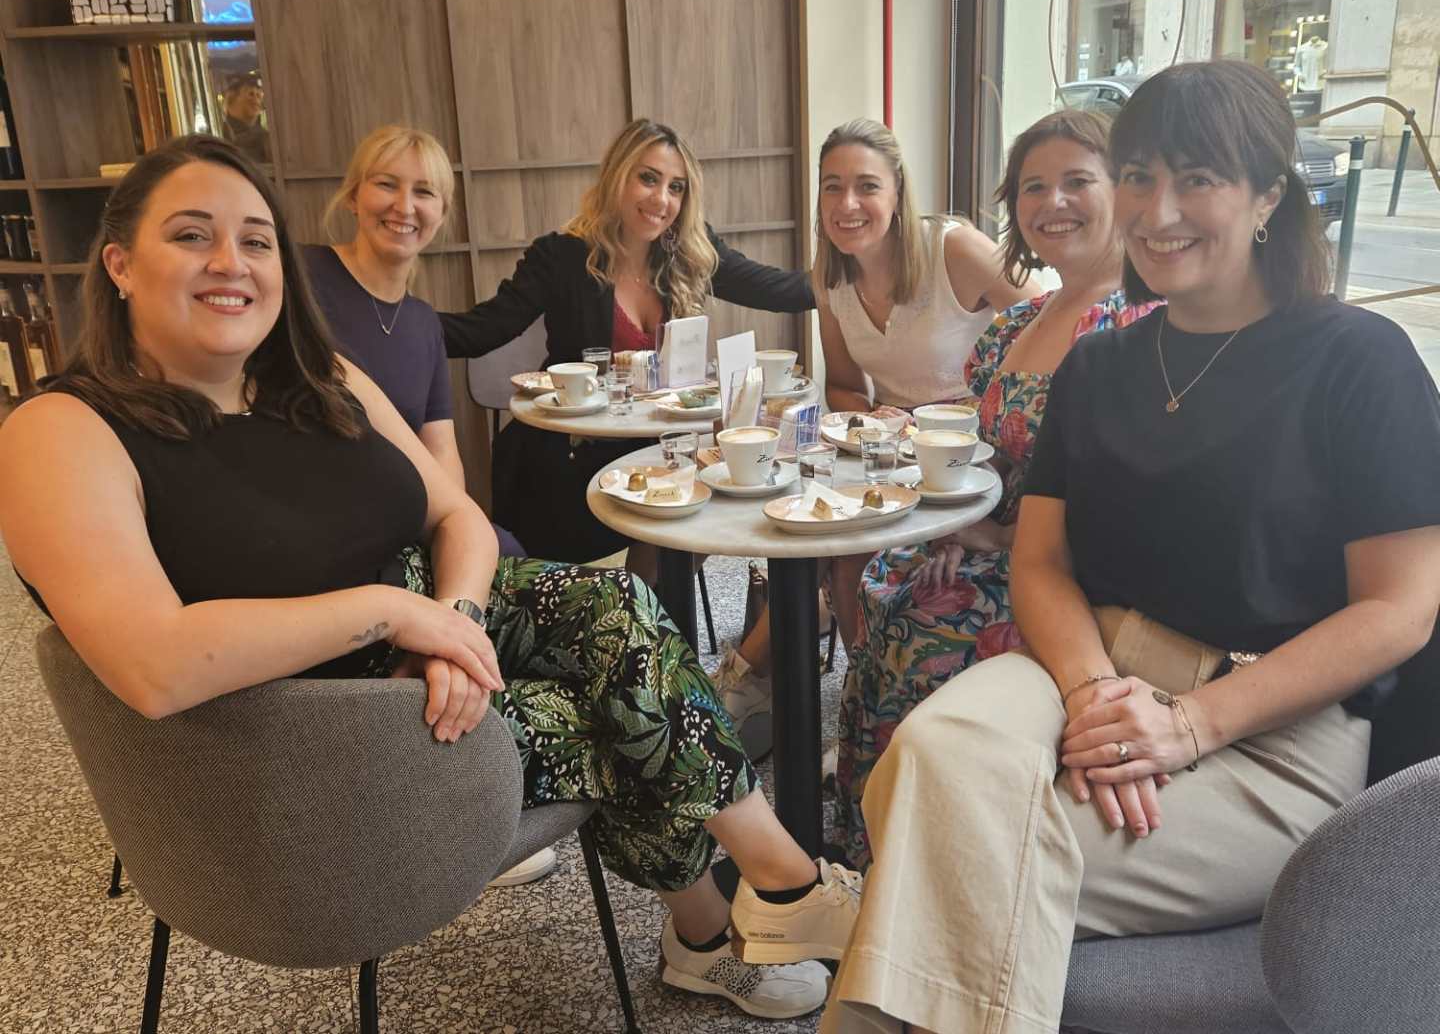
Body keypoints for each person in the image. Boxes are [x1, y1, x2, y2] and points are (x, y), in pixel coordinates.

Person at [0, 135, 860, 1022]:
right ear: (119, 264)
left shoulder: (318, 378)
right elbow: (153, 665)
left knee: (621, 611)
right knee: (614, 711)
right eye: (191, 235)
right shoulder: (62, 430)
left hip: (419, 644)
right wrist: (391, 614)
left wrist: (456, 621)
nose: (231, 262)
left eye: (256, 241)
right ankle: (735, 921)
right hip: (310, 729)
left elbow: (457, 516)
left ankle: (771, 897)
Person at [811, 61, 1440, 1033]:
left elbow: (1400, 607)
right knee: (930, 753)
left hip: (1275, 719)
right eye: (1141, 176)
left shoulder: (1357, 359)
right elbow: (1040, 561)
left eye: (1198, 178)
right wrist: (1093, 694)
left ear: (1269, 195)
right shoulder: (1099, 364)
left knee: (944, 837)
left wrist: (1191, 725)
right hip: (1087, 664)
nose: (1158, 209)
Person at [836, 109, 1159, 868]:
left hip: (1071, 573)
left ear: (1124, 189)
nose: (1053, 203)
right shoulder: (1026, 320)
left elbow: (1121, 502)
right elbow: (999, 458)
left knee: (918, 625)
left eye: (1077, 181)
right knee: (886, 583)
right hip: (994, 541)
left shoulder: (1138, 324)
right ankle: (871, 843)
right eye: (1033, 187)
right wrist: (958, 527)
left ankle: (933, 857)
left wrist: (997, 538)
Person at [709, 118, 1039, 750]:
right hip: (892, 462)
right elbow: (843, 386)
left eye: (866, 186)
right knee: (814, 530)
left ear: (897, 192)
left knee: (843, 551)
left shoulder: (954, 251)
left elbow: (1051, 328)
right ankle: (854, 708)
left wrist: (958, 424)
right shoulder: (830, 278)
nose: (848, 204)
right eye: (832, 187)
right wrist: (871, 422)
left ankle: (754, 678)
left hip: (983, 460)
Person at [302, 126, 534, 878]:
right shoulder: (302, 280)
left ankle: (483, 789)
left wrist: (458, 538)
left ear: (443, 212)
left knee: (503, 561)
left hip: (408, 519)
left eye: (424, 191)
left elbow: (442, 453)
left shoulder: (425, 322)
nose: (404, 206)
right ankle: (453, 802)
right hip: (331, 530)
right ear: (353, 194)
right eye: (386, 184)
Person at [437, 118, 814, 566]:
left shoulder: (687, 252)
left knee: (718, 504)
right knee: (676, 524)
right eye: (648, 179)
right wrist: (392, 324)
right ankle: (638, 601)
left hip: (658, 447)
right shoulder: (562, 256)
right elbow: (485, 329)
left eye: (676, 188)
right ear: (617, 177)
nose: (661, 199)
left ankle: (648, 605)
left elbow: (775, 289)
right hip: (577, 455)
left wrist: (858, 274)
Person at [219, 74, 270, 165]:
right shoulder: (219, 136)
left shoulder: (265, 138)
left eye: (259, 95)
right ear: (230, 100)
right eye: (251, 94)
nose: (256, 100)